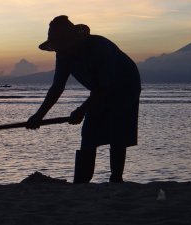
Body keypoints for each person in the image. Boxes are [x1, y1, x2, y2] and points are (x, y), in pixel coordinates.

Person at [26, 15, 141, 183]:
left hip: (126, 85)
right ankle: (81, 182)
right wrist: (39, 115)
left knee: (118, 132)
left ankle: (116, 179)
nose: (60, 50)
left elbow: (105, 88)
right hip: (100, 90)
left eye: (62, 45)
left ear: (72, 40)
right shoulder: (63, 54)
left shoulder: (99, 47)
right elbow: (57, 87)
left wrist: (81, 111)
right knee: (89, 134)